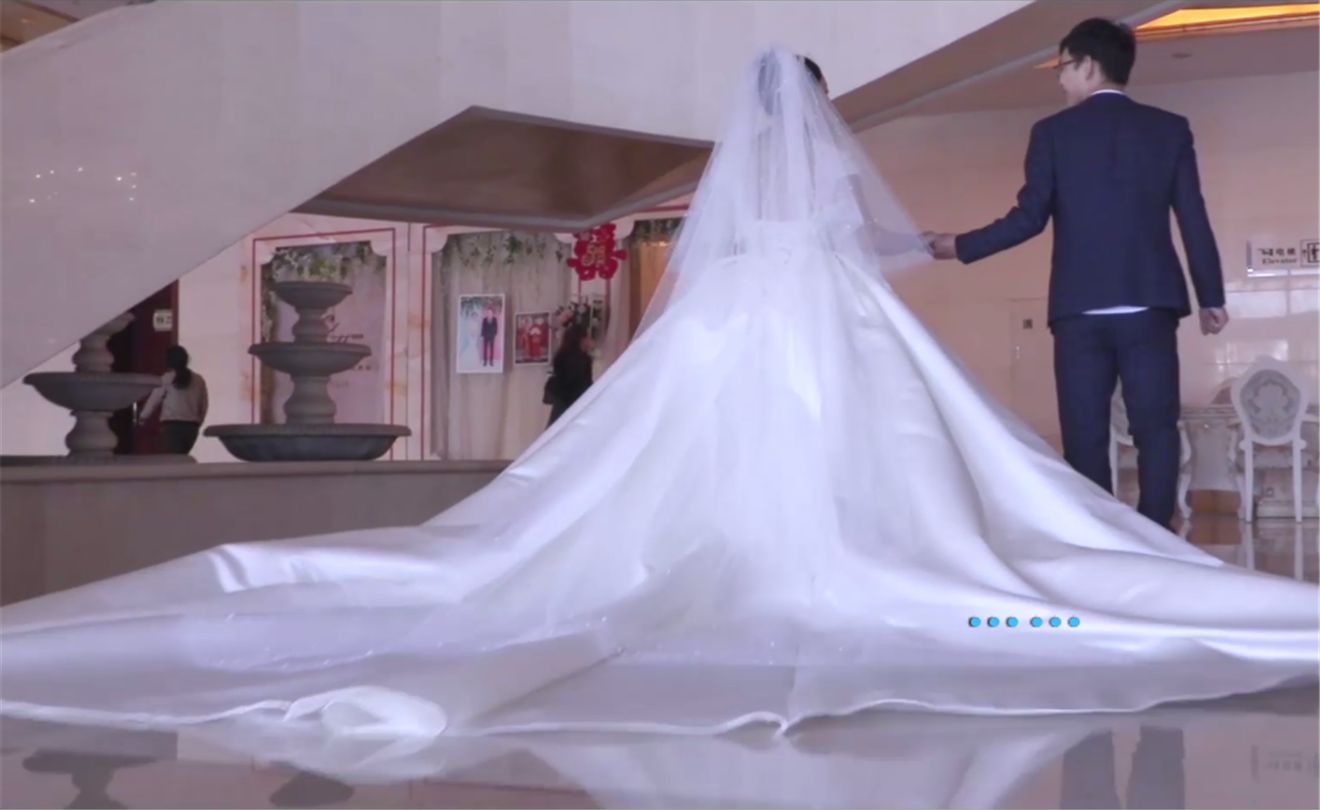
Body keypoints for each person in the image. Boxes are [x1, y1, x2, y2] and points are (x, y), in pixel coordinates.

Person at [0, 48, 1314, 743]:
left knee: (687, 451)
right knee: (921, 449)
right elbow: (852, 240)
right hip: (864, 308)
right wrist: (925, 245)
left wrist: (928, 245)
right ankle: (1086, 554)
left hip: (753, 311)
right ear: (816, 114)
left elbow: (738, 249)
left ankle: (754, 552)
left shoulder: (741, 203)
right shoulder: (868, 169)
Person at [922, 19, 1228, 531]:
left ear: (1088, 66)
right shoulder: (1169, 128)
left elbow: (1028, 218)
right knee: (1156, 430)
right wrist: (1211, 297)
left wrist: (959, 246)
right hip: (1150, 306)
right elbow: (1192, 217)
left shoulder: (1052, 133)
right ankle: (1157, 536)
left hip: (1078, 311)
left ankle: (1098, 538)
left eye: (1063, 67)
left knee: (1084, 435)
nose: (1060, 79)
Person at [138, 345, 209, 455]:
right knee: (183, 456)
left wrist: (143, 416)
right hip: (191, 426)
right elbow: (204, 404)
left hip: (172, 425)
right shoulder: (198, 379)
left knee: (173, 458)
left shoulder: (167, 378)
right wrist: (199, 421)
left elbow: (154, 399)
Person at [544, 324, 594, 426]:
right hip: (574, 404)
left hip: (561, 403)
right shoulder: (581, 360)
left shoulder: (562, 355)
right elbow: (582, 384)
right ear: (581, 339)